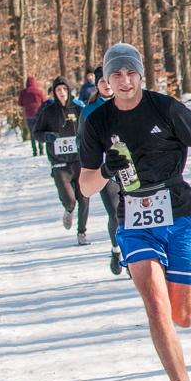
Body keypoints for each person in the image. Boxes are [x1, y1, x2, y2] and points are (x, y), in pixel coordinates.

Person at [79, 43, 191, 381]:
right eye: (116, 74)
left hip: (178, 213)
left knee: (184, 316)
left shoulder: (166, 109)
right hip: (133, 220)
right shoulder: (97, 122)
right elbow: (85, 186)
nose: (124, 81)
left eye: (131, 72)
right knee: (157, 305)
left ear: (140, 75)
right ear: (106, 80)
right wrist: (107, 171)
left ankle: (172, 294)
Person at [34, 77, 90, 245]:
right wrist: (47, 136)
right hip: (59, 165)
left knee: (84, 197)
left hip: (79, 161)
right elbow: (36, 133)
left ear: (69, 90)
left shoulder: (78, 109)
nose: (62, 93)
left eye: (64, 89)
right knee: (71, 200)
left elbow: (90, 129)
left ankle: (82, 232)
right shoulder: (47, 112)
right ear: (54, 93)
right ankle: (69, 209)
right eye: (58, 90)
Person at [82, 69, 125, 274]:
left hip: (130, 170)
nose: (106, 85)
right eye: (101, 81)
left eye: (109, 80)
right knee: (116, 214)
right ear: (96, 85)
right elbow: (81, 140)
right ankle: (117, 251)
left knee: (132, 215)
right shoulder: (88, 111)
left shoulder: (127, 103)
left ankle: (133, 255)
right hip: (105, 172)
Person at [17, 76, 48, 156]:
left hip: (29, 115)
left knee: (32, 132)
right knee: (39, 131)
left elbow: (20, 103)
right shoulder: (38, 91)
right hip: (38, 114)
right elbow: (44, 101)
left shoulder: (23, 92)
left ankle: (34, 151)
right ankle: (41, 150)